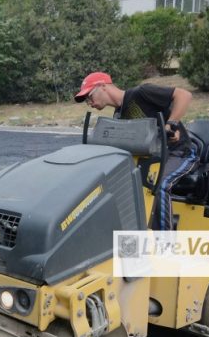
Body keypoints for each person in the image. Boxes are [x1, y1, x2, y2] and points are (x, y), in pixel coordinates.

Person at [75, 72, 196, 230]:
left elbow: (184, 95)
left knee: (159, 185)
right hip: (153, 160)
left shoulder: (142, 93)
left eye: (89, 97)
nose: (89, 103)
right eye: (86, 101)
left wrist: (171, 124)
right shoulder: (118, 116)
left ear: (103, 86)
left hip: (179, 154)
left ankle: (164, 246)